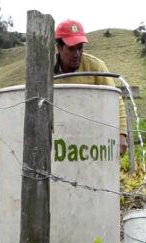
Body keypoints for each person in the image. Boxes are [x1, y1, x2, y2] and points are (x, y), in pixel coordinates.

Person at [54, 19, 128, 155]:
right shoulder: (45, 71)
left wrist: (121, 134)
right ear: (59, 48)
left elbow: (115, 100)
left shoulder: (95, 67)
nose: (77, 54)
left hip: (93, 137)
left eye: (80, 48)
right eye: (71, 49)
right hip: (59, 139)